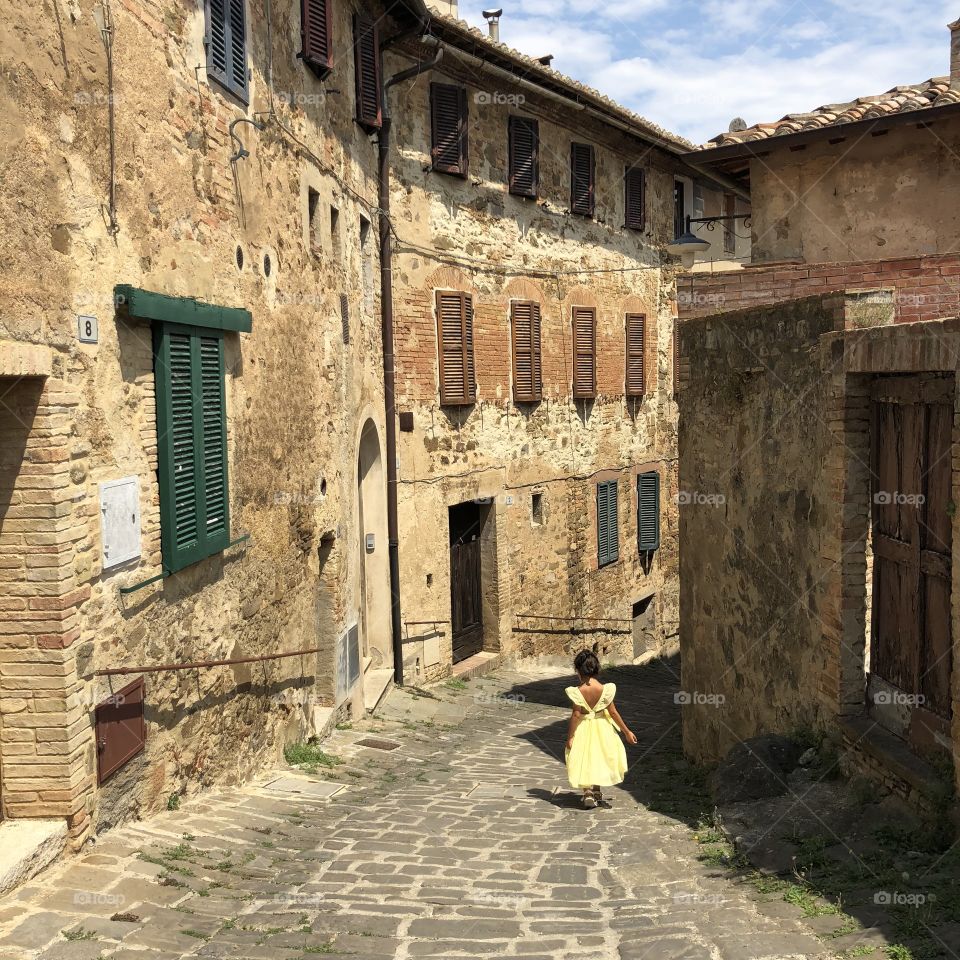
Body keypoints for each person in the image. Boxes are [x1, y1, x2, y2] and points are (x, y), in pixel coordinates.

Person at [564, 650, 637, 808]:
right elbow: (613, 712)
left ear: (578, 670)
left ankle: (588, 792)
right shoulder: (605, 690)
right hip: (603, 728)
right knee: (599, 757)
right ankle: (596, 790)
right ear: (596, 669)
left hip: (583, 728)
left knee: (584, 758)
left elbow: (576, 715)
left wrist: (570, 736)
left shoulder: (578, 692)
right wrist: (627, 732)